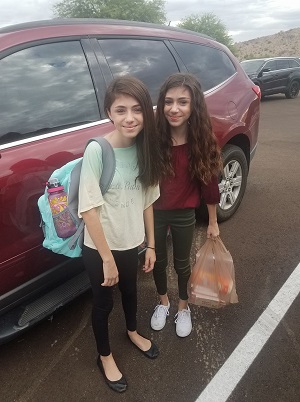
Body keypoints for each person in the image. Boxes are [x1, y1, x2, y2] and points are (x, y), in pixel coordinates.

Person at [78, 76, 161, 393]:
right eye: (121, 109)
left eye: (137, 109)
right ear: (109, 112)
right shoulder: (98, 151)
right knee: (102, 304)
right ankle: (105, 356)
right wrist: (107, 260)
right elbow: (89, 210)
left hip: (131, 244)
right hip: (100, 250)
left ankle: (131, 331)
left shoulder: (144, 148)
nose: (130, 117)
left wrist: (151, 244)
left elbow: (148, 200)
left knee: (131, 293)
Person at [150, 73, 223, 338]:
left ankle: (183, 306)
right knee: (156, 262)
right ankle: (163, 302)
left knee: (182, 264)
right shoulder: (153, 138)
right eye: (168, 102)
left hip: (184, 213)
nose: (174, 108)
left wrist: (213, 222)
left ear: (194, 106)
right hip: (154, 213)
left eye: (182, 102)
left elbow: (209, 183)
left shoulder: (201, 140)